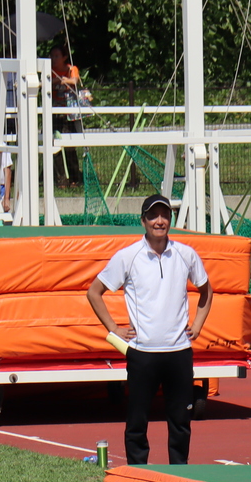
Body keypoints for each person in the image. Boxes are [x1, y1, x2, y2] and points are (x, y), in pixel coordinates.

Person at [87, 194, 213, 466]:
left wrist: (198, 325)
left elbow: (206, 289)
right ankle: (137, 473)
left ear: (170, 220)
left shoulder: (185, 254)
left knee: (180, 420)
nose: (159, 221)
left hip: (179, 351)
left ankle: (180, 473)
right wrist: (113, 328)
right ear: (143, 220)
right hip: (142, 352)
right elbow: (94, 292)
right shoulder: (128, 256)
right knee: (137, 420)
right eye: (153, 216)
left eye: (164, 216)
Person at [50, 45, 85, 185]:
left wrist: (63, 80)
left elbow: (74, 81)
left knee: (70, 146)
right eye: (52, 56)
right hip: (55, 113)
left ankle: (75, 178)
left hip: (70, 113)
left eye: (57, 56)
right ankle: (61, 179)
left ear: (64, 57)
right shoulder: (51, 71)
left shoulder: (72, 69)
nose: (53, 59)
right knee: (55, 146)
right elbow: (47, 83)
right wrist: (60, 80)